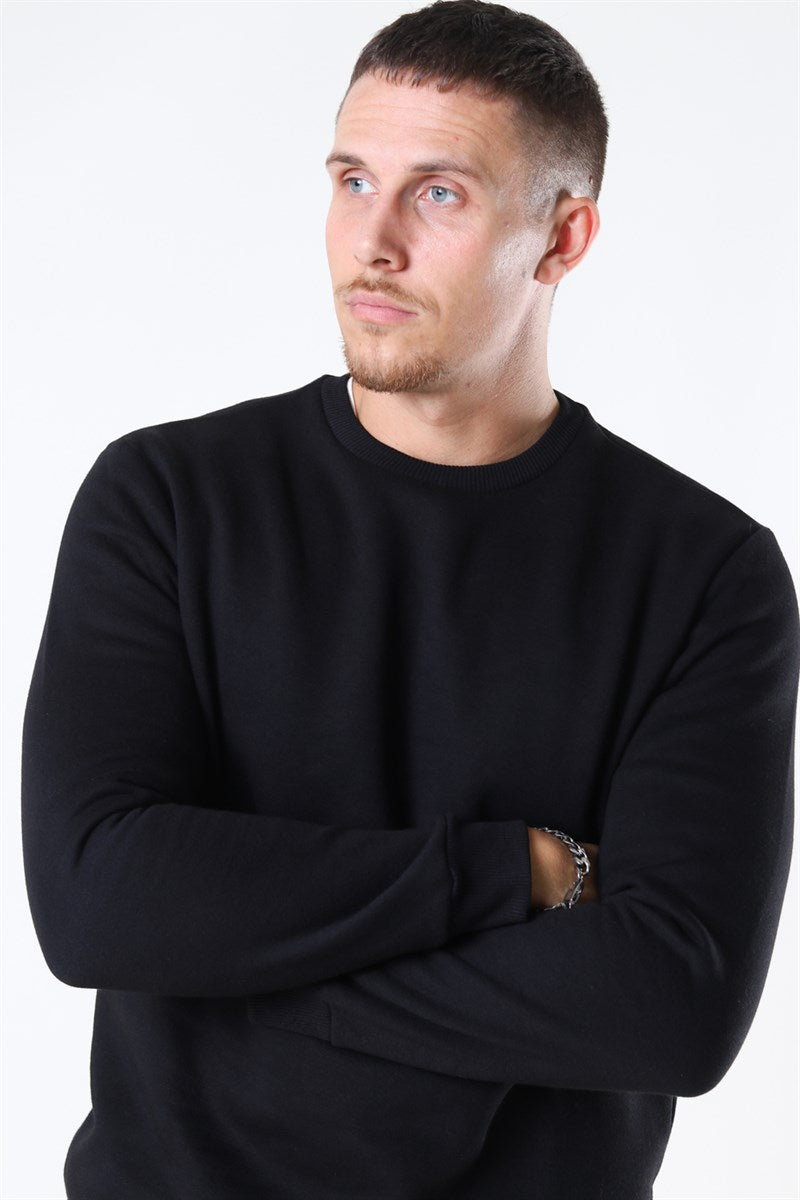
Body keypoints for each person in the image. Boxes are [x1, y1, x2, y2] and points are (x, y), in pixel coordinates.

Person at [20, 1, 799, 1197]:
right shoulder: (167, 499)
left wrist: (241, 967)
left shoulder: (703, 573)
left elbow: (668, 1010)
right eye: (351, 181)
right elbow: (95, 903)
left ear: (561, 238)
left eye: (438, 193)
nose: (370, 242)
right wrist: (510, 874)